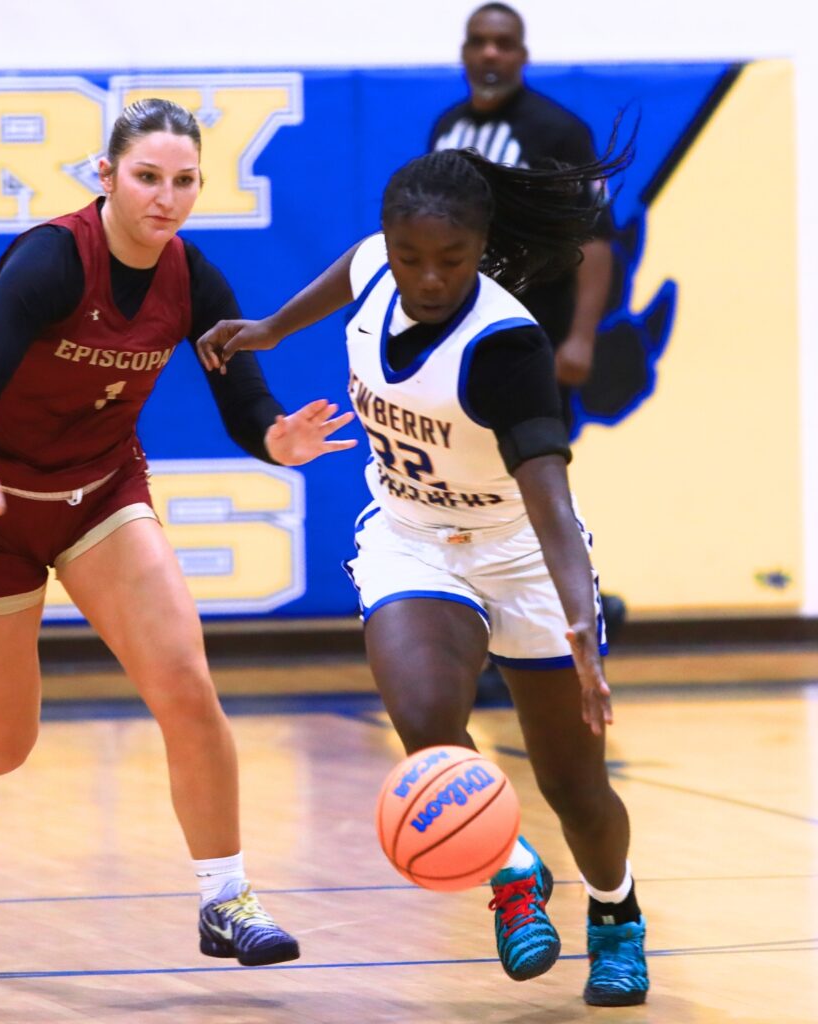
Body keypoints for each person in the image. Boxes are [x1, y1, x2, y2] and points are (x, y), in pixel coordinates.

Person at [0, 98, 356, 968]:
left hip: (101, 494)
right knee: (5, 739)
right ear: (105, 176)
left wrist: (273, 437)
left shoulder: (193, 277)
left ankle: (226, 898)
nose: (166, 197)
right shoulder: (52, 261)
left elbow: (242, 395)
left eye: (184, 181)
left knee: (185, 681)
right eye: (148, 177)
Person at [196, 146, 649, 1005]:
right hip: (411, 538)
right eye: (411, 257)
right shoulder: (378, 265)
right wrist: (268, 329)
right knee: (425, 723)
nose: (428, 277)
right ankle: (512, 874)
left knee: (575, 787)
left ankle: (616, 914)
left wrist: (584, 635)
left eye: (452, 260)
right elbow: (349, 271)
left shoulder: (506, 346)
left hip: (520, 552)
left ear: (481, 249)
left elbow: (550, 502)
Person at [432, 1, 627, 701]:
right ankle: (502, 623)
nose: (489, 55)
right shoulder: (448, 128)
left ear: (522, 55)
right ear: (464, 52)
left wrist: (578, 338)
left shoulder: (555, 130)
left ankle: (562, 620)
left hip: (532, 344)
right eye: (478, 42)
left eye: (503, 44)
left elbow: (597, 241)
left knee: (532, 486)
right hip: (459, 343)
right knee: (469, 479)